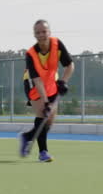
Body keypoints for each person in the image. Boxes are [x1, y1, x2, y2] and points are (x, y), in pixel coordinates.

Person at [17, 19, 74, 162]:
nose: (41, 34)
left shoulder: (57, 44)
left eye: (44, 31)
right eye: (38, 32)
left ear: (49, 32)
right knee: (43, 114)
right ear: (34, 35)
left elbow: (70, 65)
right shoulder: (30, 54)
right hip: (32, 83)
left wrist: (63, 82)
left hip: (51, 81)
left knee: (49, 121)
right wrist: (47, 102)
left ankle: (28, 136)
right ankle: (43, 152)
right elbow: (36, 80)